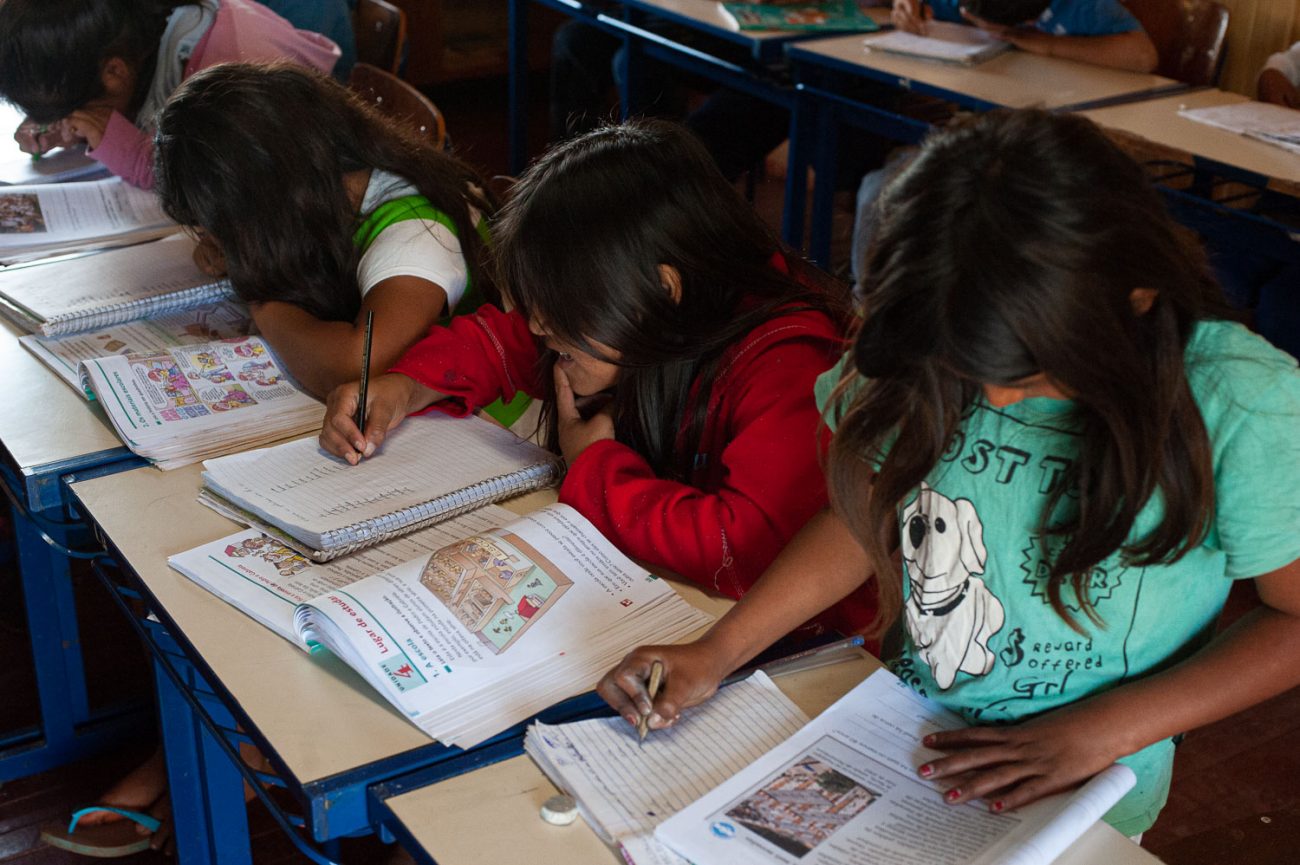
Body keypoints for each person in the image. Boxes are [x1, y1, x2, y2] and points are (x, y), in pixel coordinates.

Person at [599, 109, 1300, 840]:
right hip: (908, 741)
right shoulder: (928, 344)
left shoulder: (1239, 404)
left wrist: (1105, 728)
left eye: (1025, 380)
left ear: (1135, 298)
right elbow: (863, 514)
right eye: (971, 373)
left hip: (1090, 782)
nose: (995, 401)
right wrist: (718, 650)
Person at [319, 119, 878, 639]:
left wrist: (596, 467)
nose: (539, 326)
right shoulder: (636, 306)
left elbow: (740, 546)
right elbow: (505, 338)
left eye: (556, 309)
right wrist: (408, 387)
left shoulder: (792, 361)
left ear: (662, 290)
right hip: (676, 599)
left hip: (807, 648)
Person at [153, 63, 526, 421]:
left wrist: (256, 287)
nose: (211, 242)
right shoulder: (327, 192)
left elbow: (357, 368)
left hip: (496, 437)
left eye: (217, 228)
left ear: (265, 209)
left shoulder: (418, 233)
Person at [0, 0, 339, 189]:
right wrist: (70, 124)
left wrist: (133, 155)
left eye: (75, 107)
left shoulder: (231, 73)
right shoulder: (131, 29)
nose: (73, 119)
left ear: (114, 72)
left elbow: (232, 189)